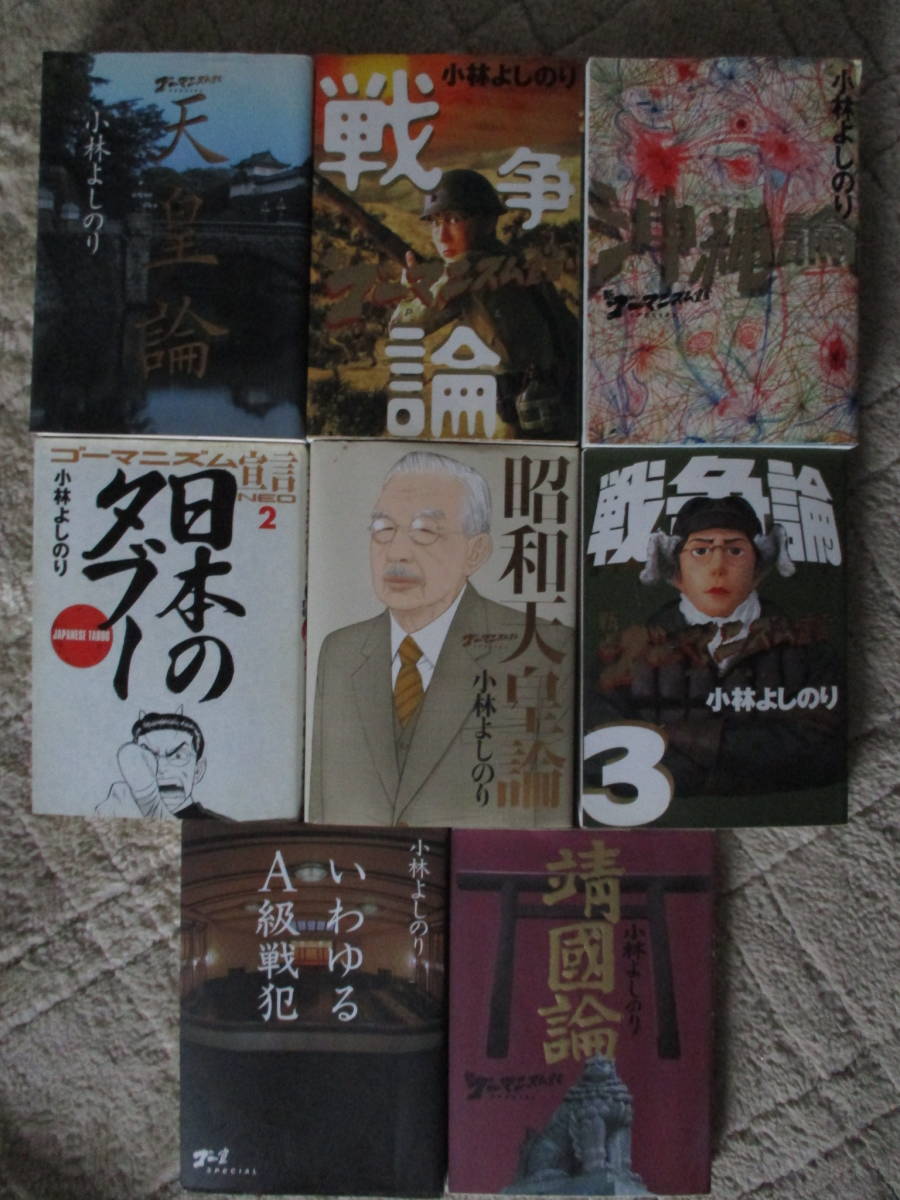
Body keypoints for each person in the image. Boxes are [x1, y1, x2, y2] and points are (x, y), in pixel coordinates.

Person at [309, 450, 573, 827]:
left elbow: (551, 827)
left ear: (475, 552)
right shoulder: (341, 652)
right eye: (383, 529)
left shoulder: (543, 651)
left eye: (425, 532)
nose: (397, 552)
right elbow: (322, 812)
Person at [585, 495, 844, 799]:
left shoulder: (808, 649)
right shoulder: (628, 653)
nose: (718, 566)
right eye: (700, 551)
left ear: (758, 567)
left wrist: (689, 741)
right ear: (675, 570)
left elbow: (824, 754)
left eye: (735, 550)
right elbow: (599, 754)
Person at [390, 169, 579, 438]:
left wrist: (413, 291)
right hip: (560, 393)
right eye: (435, 222)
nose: (442, 236)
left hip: (520, 402)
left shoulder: (467, 269)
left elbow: (403, 326)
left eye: (454, 220)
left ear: (488, 222)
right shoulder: (516, 259)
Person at [97, 709, 224, 819]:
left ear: (198, 770)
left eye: (178, 756)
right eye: (148, 756)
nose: (161, 768)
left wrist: (148, 801)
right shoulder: (116, 810)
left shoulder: (222, 828)